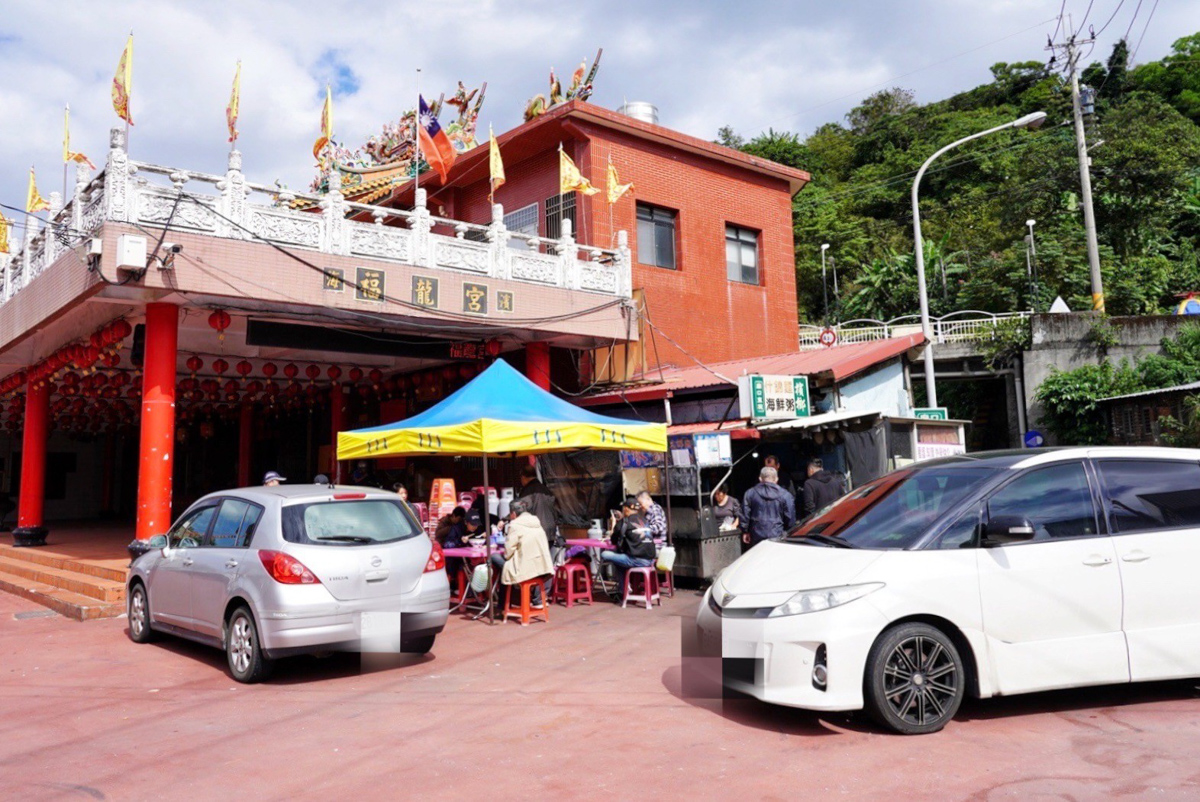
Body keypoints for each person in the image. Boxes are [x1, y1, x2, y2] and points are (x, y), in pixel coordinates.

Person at [489, 498, 554, 611]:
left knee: (496, 559)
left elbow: (508, 553)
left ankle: (503, 605)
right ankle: (506, 604)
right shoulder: (537, 523)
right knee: (505, 568)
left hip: (526, 570)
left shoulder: (515, 526)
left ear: (513, 514)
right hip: (542, 569)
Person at [601, 496, 658, 599]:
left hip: (636, 560)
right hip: (651, 560)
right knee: (620, 562)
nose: (623, 510)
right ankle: (624, 590)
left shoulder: (624, 522)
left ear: (626, 509)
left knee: (605, 554)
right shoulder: (645, 520)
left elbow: (614, 540)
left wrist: (614, 523)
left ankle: (623, 590)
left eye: (624, 508)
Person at [741, 466, 795, 546]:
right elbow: (790, 518)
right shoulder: (786, 495)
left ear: (760, 479)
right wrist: (786, 531)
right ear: (776, 479)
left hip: (756, 534)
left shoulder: (750, 493)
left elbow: (745, 514)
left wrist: (745, 531)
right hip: (777, 534)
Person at [517, 464, 558, 544]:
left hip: (537, 531)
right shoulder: (546, 490)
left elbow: (520, 509)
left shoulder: (527, 491)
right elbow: (555, 510)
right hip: (550, 530)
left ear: (523, 477)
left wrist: (505, 520)